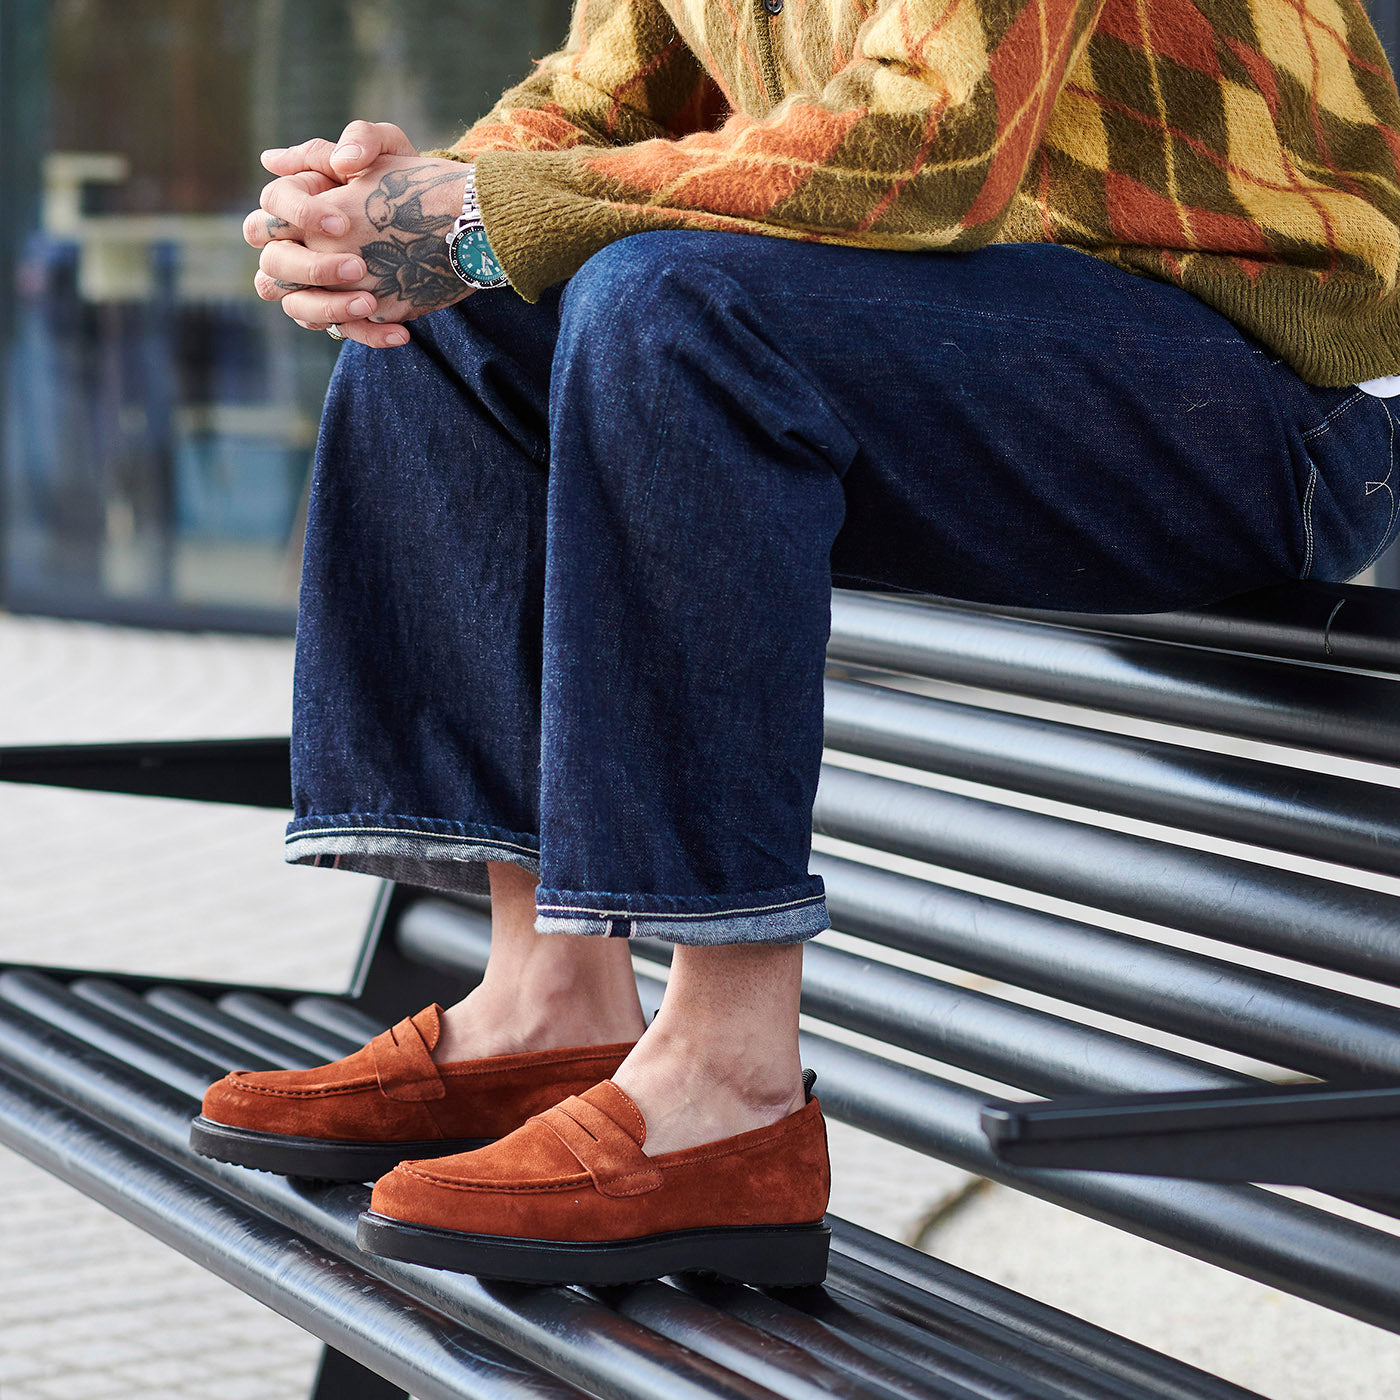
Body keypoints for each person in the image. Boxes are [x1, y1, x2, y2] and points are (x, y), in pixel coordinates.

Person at [191, 0, 1400, 1287]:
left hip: (1259, 376)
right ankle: (548, 1003)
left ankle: (729, 1080)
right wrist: (377, 215)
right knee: (443, 309)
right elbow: (600, 102)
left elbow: (920, 145)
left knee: (664, 304)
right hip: (970, 332)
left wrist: (474, 209)